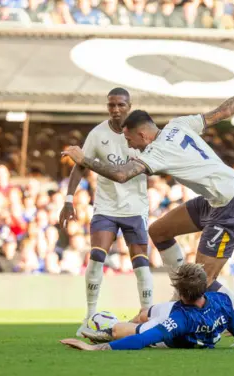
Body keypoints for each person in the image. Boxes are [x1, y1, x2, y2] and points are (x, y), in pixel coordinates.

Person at [62, 59, 234, 346]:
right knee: (159, 231)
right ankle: (179, 293)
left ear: (143, 134)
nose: (130, 145)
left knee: (203, 282)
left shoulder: (156, 153)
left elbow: (122, 175)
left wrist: (84, 160)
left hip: (229, 208)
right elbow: (222, 112)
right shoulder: (178, 124)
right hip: (212, 200)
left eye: (130, 138)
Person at [59, 88, 153, 337]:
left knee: (141, 263)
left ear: (129, 106)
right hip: (106, 206)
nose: (116, 110)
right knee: (96, 257)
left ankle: (146, 313)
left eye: (121, 105)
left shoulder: (141, 132)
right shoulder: (97, 134)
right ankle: (89, 316)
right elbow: (80, 165)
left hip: (136, 207)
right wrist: (69, 199)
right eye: (111, 105)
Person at [60, 263, 234, 351]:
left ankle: (112, 328)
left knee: (120, 330)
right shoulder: (222, 301)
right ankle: (134, 322)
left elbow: (142, 341)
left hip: (176, 334)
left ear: (180, 293)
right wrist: (231, 328)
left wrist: (95, 349)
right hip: (188, 313)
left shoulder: (178, 321)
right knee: (145, 313)